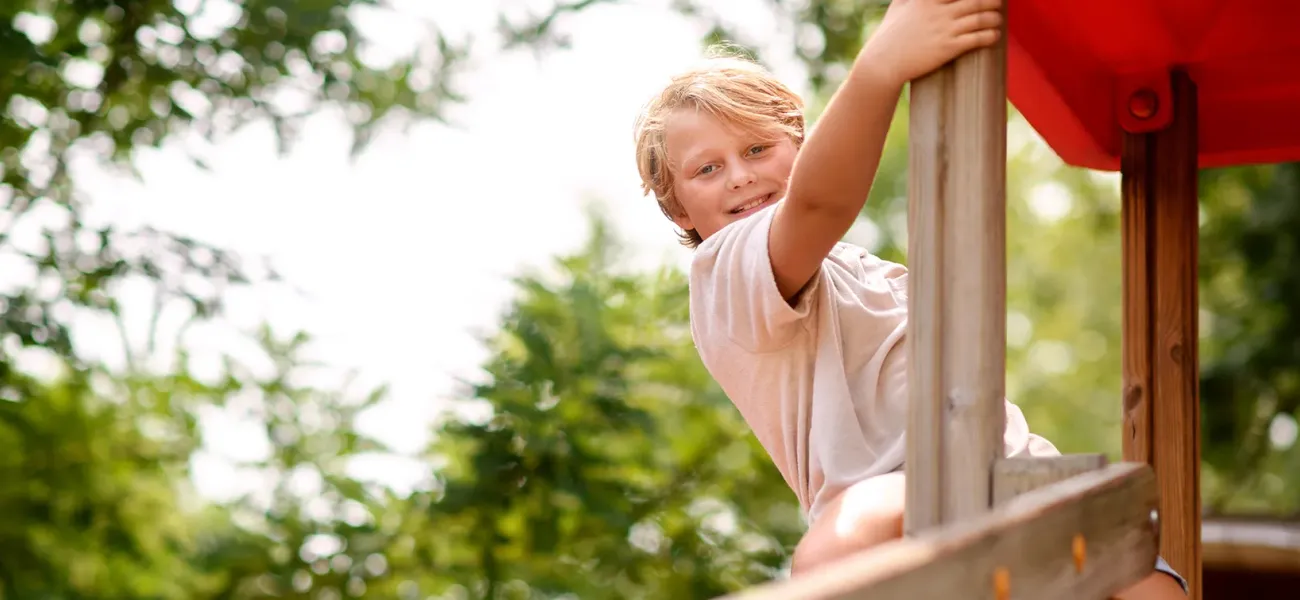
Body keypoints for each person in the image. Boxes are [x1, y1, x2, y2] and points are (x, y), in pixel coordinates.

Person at [631, 0, 1187, 597]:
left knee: (1149, 578)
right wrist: (881, 67)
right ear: (678, 208)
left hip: (1016, 469)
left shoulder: (874, 274)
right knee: (840, 547)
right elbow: (818, 205)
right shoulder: (726, 276)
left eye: (758, 150)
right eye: (707, 169)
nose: (739, 175)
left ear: (799, 144)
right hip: (894, 487)